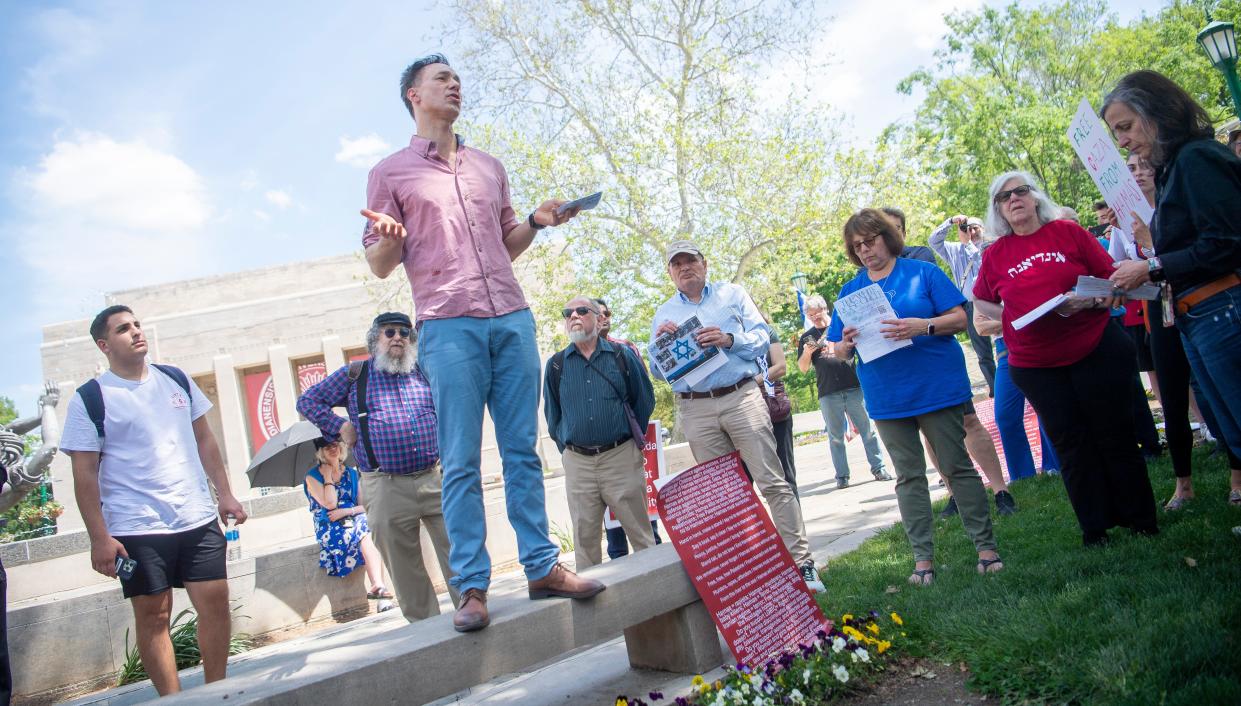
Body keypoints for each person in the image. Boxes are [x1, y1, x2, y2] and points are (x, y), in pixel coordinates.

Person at [359, 55, 602, 632]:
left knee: (523, 450)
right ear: (413, 95)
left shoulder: (489, 166)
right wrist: (390, 239)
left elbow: (505, 244)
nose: (454, 84)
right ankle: (471, 586)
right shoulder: (390, 173)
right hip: (446, 325)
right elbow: (377, 263)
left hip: (511, 317)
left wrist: (538, 222)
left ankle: (542, 565)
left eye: (457, 78)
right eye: (441, 78)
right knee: (462, 459)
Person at [61, 305, 247, 696]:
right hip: (135, 526)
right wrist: (99, 538)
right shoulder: (90, 398)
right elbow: (84, 474)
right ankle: (173, 701)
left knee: (215, 601)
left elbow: (205, 440)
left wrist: (225, 494)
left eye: (137, 324)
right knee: (154, 615)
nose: (135, 332)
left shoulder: (175, 379)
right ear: (104, 344)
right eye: (123, 329)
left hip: (195, 516)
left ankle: (217, 693)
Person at [974, 171, 1158, 546]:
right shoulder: (995, 255)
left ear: (1035, 197)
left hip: (1094, 346)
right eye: (1005, 197)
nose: (1014, 199)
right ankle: (1095, 528)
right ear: (999, 210)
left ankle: (1140, 519)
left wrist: (1092, 299)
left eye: (1021, 191)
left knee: (1115, 434)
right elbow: (981, 300)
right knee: (1072, 445)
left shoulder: (1069, 233)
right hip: (1036, 364)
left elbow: (1111, 277)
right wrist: (1009, 315)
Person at [828, 209, 1002, 586]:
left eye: (870, 240)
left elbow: (959, 319)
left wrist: (920, 326)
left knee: (957, 466)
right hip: (887, 397)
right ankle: (923, 560)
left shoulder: (922, 273)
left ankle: (986, 550)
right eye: (856, 246)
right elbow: (838, 349)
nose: (865, 251)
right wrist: (844, 345)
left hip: (935, 388)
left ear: (887, 237)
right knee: (908, 477)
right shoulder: (850, 291)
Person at [649, 240, 824, 593]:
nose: (685, 268)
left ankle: (803, 564)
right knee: (725, 496)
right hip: (695, 407)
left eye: (691, 261)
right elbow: (657, 370)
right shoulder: (663, 312)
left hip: (741, 396)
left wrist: (729, 339)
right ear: (670, 272)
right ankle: (758, 573)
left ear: (705, 263)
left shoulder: (732, 294)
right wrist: (662, 344)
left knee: (772, 481)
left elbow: (763, 338)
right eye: (677, 264)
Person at [1104, 70, 1241, 507]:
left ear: (1157, 111)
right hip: (1196, 317)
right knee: (1230, 428)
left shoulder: (1198, 160)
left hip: (1223, 309)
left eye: (1125, 126)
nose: (1122, 141)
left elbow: (1226, 243)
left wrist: (1151, 268)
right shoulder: (1175, 169)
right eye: (1115, 132)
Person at [297, 312, 454, 624]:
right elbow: (308, 402)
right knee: (404, 567)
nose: (398, 337)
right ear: (375, 340)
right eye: (389, 332)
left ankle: (472, 610)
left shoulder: (425, 370)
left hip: (437, 478)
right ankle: (429, 633)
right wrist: (339, 425)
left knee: (458, 552)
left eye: (405, 333)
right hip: (385, 485)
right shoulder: (356, 375)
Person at [543, 297, 657, 568]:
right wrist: (571, 451)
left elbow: (644, 401)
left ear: (597, 318)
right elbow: (553, 416)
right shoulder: (556, 365)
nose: (573, 316)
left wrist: (627, 442)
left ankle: (658, 602)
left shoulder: (621, 356)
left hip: (620, 457)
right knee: (585, 543)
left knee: (642, 536)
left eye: (581, 311)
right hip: (578, 464)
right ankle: (593, 605)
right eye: (567, 312)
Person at [593, 298, 663, 558]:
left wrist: (635, 429)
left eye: (607, 313)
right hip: (599, 452)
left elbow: (643, 394)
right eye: (599, 313)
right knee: (615, 532)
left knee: (645, 514)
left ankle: (655, 562)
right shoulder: (574, 356)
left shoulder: (626, 348)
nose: (605, 318)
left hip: (631, 444)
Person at [796, 294, 890, 488]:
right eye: (810, 315)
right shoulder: (807, 337)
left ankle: (879, 468)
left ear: (825, 309)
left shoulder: (841, 327)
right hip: (828, 392)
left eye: (817, 312)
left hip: (854, 386)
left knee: (868, 431)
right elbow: (803, 368)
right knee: (835, 437)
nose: (814, 317)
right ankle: (842, 476)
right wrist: (807, 352)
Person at [972, 307, 1060, 481]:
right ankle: (1022, 477)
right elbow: (980, 327)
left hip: (1035, 342)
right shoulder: (982, 286)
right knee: (1005, 416)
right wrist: (1017, 320)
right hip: (1005, 350)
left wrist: (999, 324)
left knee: (1045, 406)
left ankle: (1056, 465)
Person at [303, 438, 392, 599]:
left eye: (335, 444)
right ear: (320, 452)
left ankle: (378, 585)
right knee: (366, 529)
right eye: (327, 446)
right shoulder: (312, 477)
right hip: (329, 523)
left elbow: (366, 506)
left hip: (353, 517)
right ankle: (379, 587)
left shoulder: (351, 473)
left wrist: (347, 511)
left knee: (367, 525)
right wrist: (328, 478)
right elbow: (330, 504)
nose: (333, 448)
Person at [928, 215, 996, 396]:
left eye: (975, 228)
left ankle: (1012, 381)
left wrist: (968, 245)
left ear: (982, 229)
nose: (971, 232)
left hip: (994, 302)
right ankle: (996, 387)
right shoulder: (954, 250)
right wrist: (951, 221)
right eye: (968, 228)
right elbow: (933, 240)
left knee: (1006, 342)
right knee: (983, 352)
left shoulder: (989, 246)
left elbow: (986, 268)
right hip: (971, 305)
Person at [760, 317, 800, 496]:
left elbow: (781, 367)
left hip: (773, 406)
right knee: (744, 479)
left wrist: (751, 382)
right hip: (738, 413)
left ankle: (794, 523)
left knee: (785, 474)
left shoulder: (765, 331)